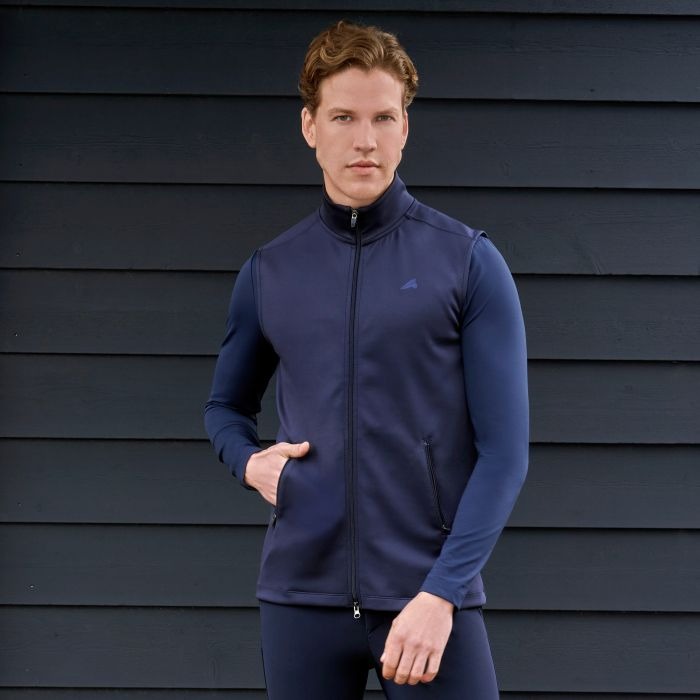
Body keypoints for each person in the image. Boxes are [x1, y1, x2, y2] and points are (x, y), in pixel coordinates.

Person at [204, 19, 529, 699]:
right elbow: (225, 407)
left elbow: (505, 454)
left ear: (404, 127)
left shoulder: (466, 261)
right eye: (343, 117)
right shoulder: (271, 271)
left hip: (427, 598)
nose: (365, 140)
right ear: (309, 127)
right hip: (301, 599)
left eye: (383, 117)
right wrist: (249, 462)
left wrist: (441, 594)